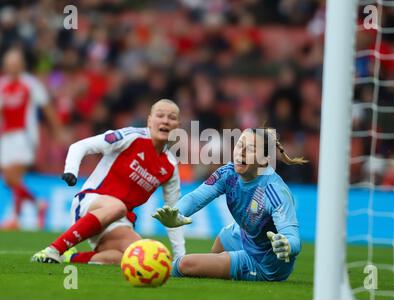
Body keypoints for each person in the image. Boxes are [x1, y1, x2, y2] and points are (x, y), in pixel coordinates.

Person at [31, 99, 186, 264]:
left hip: (119, 219)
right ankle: (54, 250)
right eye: (160, 115)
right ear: (149, 120)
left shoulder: (170, 167)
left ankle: (71, 257)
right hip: (91, 202)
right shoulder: (131, 137)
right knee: (118, 206)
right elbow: (80, 146)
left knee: (140, 256)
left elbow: (172, 215)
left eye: (172, 117)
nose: (165, 121)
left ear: (178, 125)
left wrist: (179, 257)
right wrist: (71, 170)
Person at [153, 128, 305, 281]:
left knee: (185, 264)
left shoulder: (275, 192)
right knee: (221, 240)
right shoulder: (228, 173)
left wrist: (286, 245)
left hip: (264, 261)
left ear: (265, 159)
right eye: (240, 145)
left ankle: (155, 269)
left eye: (251, 149)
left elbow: (292, 238)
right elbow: (196, 197)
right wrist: (177, 212)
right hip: (245, 235)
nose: (242, 152)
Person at [0, 48, 63, 230]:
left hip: (24, 136)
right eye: (9, 62)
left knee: (13, 175)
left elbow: (47, 109)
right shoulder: (2, 84)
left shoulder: (31, 84)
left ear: (22, 65)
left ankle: (15, 218)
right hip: (6, 137)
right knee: (11, 180)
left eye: (15, 62)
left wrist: (57, 131)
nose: (12, 66)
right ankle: (37, 205)